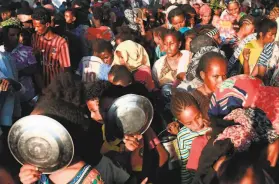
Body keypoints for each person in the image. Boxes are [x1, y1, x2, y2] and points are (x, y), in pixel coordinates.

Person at [1, 18, 41, 116]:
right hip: (6, 100)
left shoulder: (28, 51)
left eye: (18, 35)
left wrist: (42, 91)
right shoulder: (1, 53)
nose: (15, 38)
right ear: (4, 36)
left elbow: (35, 71)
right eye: (12, 35)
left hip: (27, 98)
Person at [170, 89, 210, 184]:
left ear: (199, 109)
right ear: (180, 122)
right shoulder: (182, 137)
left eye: (198, 117)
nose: (196, 125)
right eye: (189, 123)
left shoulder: (213, 126)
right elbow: (185, 165)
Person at [31, 7, 71, 87]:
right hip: (38, 85)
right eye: (34, 26)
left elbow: (66, 69)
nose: (35, 29)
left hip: (54, 86)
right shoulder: (35, 37)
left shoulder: (61, 43)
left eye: (38, 26)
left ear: (47, 24)